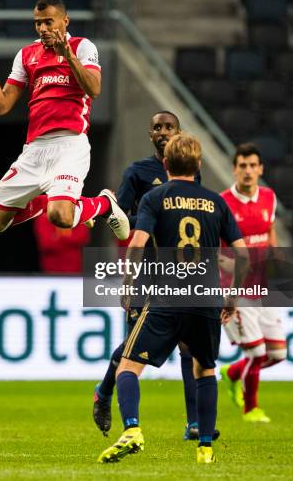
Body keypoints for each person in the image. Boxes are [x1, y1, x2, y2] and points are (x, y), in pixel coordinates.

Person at [97, 133, 248, 465]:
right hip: (207, 299)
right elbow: (243, 254)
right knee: (205, 370)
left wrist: (127, 281)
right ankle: (205, 449)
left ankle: (133, 429)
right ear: (199, 165)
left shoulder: (155, 197)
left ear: (165, 164)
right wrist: (232, 296)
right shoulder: (216, 202)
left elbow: (136, 243)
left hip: (167, 297)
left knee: (128, 365)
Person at [0, 0, 129, 241]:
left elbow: (94, 89)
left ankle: (104, 204)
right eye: (38, 23)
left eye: (49, 22)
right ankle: (45, 201)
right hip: (35, 150)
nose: (43, 28)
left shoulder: (83, 47)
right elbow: (2, 105)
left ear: (65, 21)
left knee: (61, 216)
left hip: (69, 146)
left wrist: (69, 57)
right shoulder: (26, 54)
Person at [93, 111, 211, 441]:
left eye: (168, 127)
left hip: (178, 271)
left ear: (178, 133)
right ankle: (104, 393)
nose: (162, 132)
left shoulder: (191, 173)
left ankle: (194, 423)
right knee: (134, 346)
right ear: (150, 134)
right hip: (146, 269)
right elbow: (121, 219)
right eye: (157, 127)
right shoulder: (138, 173)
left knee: (189, 345)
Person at [219, 143, 287, 423]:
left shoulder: (269, 197)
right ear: (234, 169)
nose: (248, 171)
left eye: (252, 166)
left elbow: (269, 229)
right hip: (236, 291)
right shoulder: (222, 203)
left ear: (260, 169)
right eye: (242, 166)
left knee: (278, 353)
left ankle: (232, 373)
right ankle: (251, 409)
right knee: (257, 353)